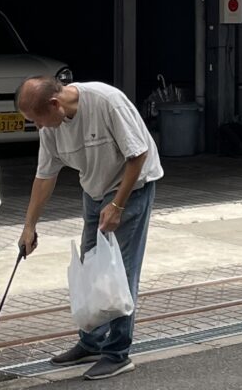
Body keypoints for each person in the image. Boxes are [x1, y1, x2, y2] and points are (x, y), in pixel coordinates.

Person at [16, 76, 162, 381]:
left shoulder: (106, 101)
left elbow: (138, 154)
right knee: (91, 266)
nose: (38, 127)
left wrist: (118, 205)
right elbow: (44, 176)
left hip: (131, 187)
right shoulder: (50, 127)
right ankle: (91, 342)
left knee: (119, 271)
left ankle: (117, 353)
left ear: (55, 104)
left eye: (38, 119)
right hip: (94, 189)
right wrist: (29, 226)